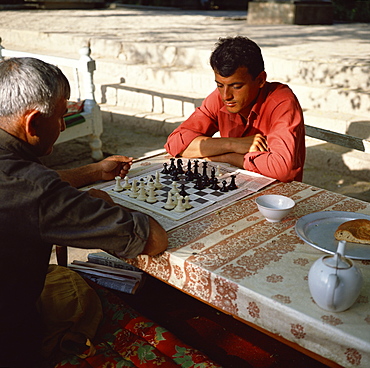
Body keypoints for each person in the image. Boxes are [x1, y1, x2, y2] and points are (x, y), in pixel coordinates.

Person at [0, 57, 168, 367]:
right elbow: (154, 239)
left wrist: (92, 171)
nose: (63, 126)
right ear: (33, 122)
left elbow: (23, 186)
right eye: (62, 116)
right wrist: (106, 203)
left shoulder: (19, 174)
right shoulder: (36, 192)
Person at [165, 36, 305, 182]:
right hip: (234, 185)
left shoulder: (281, 101)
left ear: (260, 80)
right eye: (220, 85)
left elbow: (282, 169)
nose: (226, 96)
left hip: (277, 197)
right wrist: (233, 144)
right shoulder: (219, 98)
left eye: (236, 86)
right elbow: (175, 143)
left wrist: (228, 157)